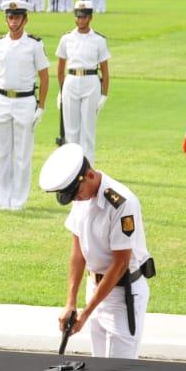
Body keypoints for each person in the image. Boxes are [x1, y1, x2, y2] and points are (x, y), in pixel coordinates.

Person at [38, 142, 153, 359]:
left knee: (119, 370)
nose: (76, 199)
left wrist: (85, 313)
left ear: (89, 176)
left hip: (122, 295)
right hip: (95, 289)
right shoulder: (82, 197)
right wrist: (71, 302)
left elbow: (120, 265)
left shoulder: (122, 203)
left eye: (77, 193)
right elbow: (78, 252)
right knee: (99, 367)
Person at [0, 0, 49, 210]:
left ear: (25, 19)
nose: (13, 22)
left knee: (22, 154)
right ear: (6, 20)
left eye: (17, 17)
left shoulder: (34, 45)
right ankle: (4, 199)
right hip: (2, 101)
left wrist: (41, 106)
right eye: (10, 17)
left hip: (25, 101)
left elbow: (44, 76)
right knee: (2, 153)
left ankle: (18, 200)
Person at [55, 0, 110, 160]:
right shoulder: (66, 38)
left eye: (84, 17)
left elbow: (105, 71)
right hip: (71, 80)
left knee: (88, 130)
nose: (80, 20)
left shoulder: (99, 40)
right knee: (71, 131)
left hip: (91, 81)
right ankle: (73, 167)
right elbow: (60, 68)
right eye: (78, 17)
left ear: (90, 18)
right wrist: (61, 91)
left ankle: (88, 167)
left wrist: (104, 94)